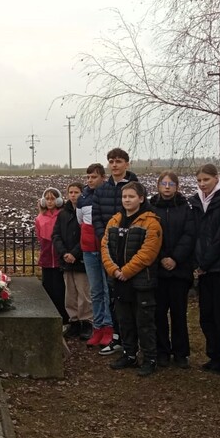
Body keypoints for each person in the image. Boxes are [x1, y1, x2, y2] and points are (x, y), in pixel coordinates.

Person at [101, 182, 163, 376]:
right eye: (124, 197)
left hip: (141, 282)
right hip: (119, 282)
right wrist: (113, 270)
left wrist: (126, 271)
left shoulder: (151, 222)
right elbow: (105, 247)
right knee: (124, 320)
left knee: (144, 322)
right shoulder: (114, 221)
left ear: (141, 198)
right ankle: (129, 354)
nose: (127, 200)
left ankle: (150, 358)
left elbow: (148, 253)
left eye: (131, 197)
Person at [189, 163, 220, 373]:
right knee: (206, 315)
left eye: (206, 180)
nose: (202, 184)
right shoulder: (197, 202)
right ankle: (213, 354)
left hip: (218, 267)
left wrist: (205, 263)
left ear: (216, 178)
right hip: (203, 267)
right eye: (199, 181)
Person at [92, 148, 139, 355]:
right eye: (111, 161)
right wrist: (106, 239)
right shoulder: (102, 190)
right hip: (110, 249)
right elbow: (97, 217)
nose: (114, 165)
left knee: (133, 297)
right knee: (113, 295)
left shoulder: (135, 187)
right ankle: (117, 336)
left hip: (131, 249)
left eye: (118, 161)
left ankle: (135, 341)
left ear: (126, 164)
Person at [149, 171, 196, 369]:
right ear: (158, 186)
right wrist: (160, 258)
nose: (167, 187)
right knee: (159, 313)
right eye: (163, 183)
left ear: (177, 186)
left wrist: (175, 258)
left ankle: (180, 353)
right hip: (158, 270)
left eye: (171, 183)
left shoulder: (186, 208)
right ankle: (161, 351)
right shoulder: (151, 209)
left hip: (179, 270)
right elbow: (149, 236)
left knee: (178, 313)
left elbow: (189, 235)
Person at [80, 163, 113, 346]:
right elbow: (81, 222)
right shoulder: (83, 198)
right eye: (88, 177)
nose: (90, 180)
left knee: (107, 290)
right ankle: (97, 327)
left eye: (94, 177)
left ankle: (108, 327)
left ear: (102, 177)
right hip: (89, 250)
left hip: (105, 248)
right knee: (95, 290)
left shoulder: (107, 194)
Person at [52, 183, 90, 338]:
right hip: (67, 260)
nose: (73, 195)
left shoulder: (86, 211)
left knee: (84, 293)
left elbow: (87, 236)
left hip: (80, 260)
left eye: (76, 192)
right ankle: (73, 321)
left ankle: (86, 323)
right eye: (70, 192)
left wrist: (75, 253)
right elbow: (56, 235)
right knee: (70, 294)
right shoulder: (63, 214)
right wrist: (64, 253)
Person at [35, 187, 67, 321]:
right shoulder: (40, 218)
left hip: (60, 258)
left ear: (59, 201)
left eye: (52, 199)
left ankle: (64, 316)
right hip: (47, 257)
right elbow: (39, 237)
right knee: (48, 287)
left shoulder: (63, 216)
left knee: (61, 289)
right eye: (47, 199)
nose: (49, 202)